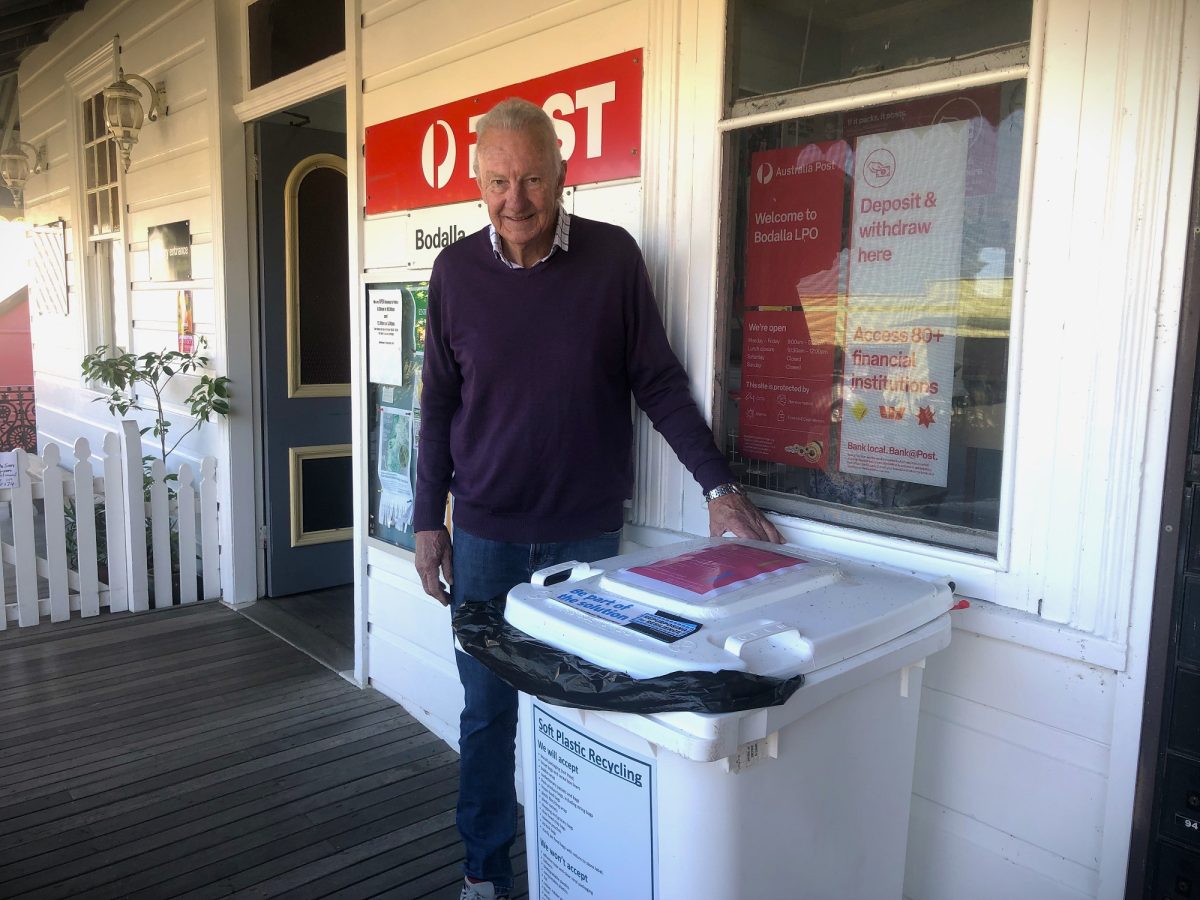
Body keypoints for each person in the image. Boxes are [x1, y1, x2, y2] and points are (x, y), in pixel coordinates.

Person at [413, 97, 782, 900]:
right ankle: (485, 869)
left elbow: (657, 379)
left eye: (533, 179)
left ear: (563, 175)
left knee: (583, 720)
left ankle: (575, 871)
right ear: (478, 180)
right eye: (499, 181)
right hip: (483, 537)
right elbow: (437, 404)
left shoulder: (613, 260)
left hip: (584, 544)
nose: (516, 200)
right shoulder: (454, 273)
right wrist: (425, 523)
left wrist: (717, 487)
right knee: (487, 716)